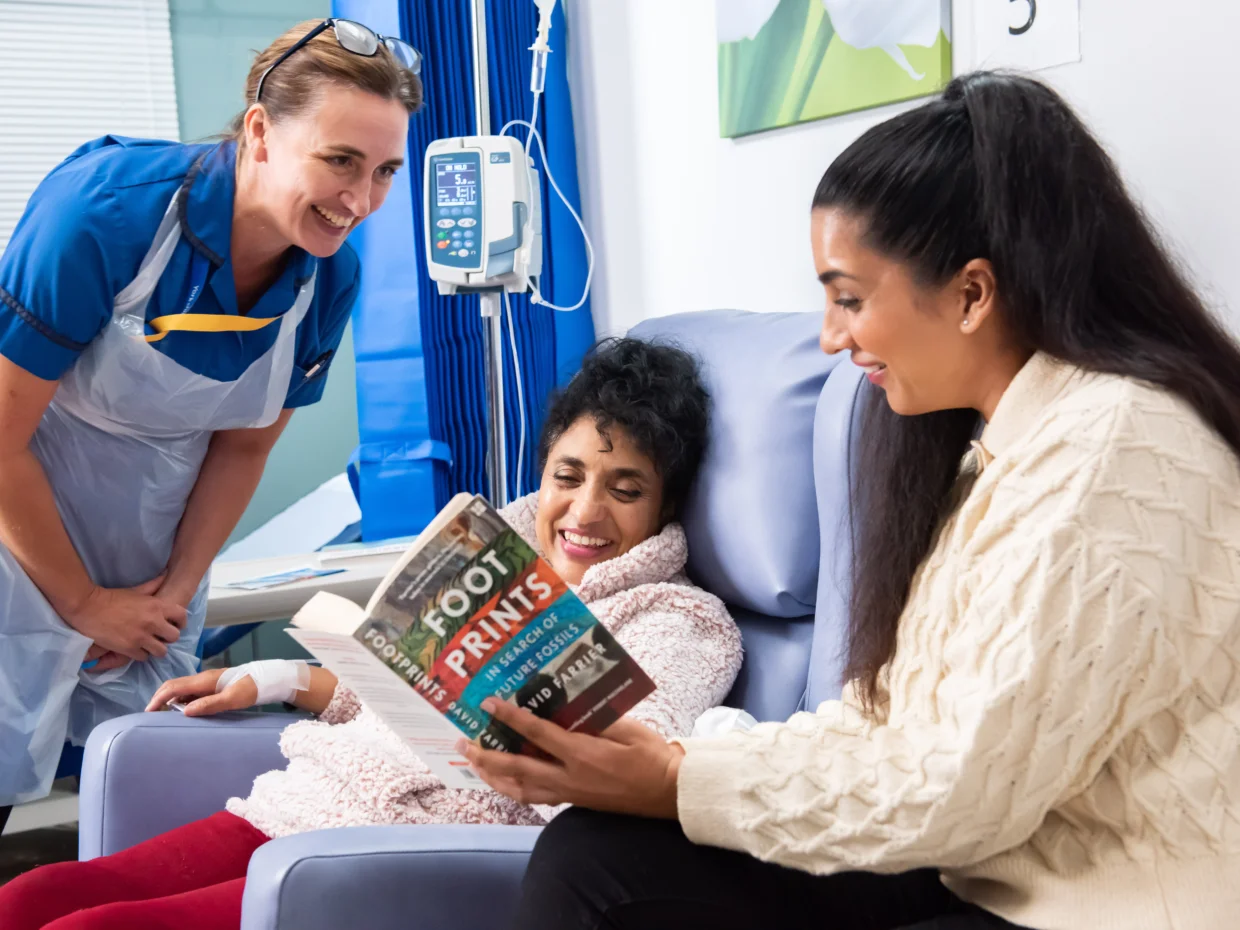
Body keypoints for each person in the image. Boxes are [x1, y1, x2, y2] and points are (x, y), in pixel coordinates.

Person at [450, 72, 1240, 930]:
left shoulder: (1111, 453)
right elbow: (885, 728)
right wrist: (669, 761)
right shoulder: (996, 449)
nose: (831, 337)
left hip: (1097, 904)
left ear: (972, 294)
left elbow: (955, 789)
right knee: (597, 859)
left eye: (850, 298)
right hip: (980, 866)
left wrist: (679, 781)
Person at [0, 338, 744, 930]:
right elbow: (395, 703)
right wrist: (273, 682)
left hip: (400, 848)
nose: (583, 513)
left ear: (665, 505)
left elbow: (631, 779)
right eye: (568, 476)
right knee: (28, 898)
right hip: (304, 807)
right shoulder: (492, 555)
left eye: (625, 490)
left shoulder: (680, 622)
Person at [0, 19, 422, 827]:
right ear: (260, 132)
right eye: (340, 160)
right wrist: (85, 602)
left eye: (385, 172)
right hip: (18, 539)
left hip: (153, 565)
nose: (361, 201)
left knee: (140, 800)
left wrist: (169, 596)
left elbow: (243, 447)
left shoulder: (326, 279)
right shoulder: (106, 214)